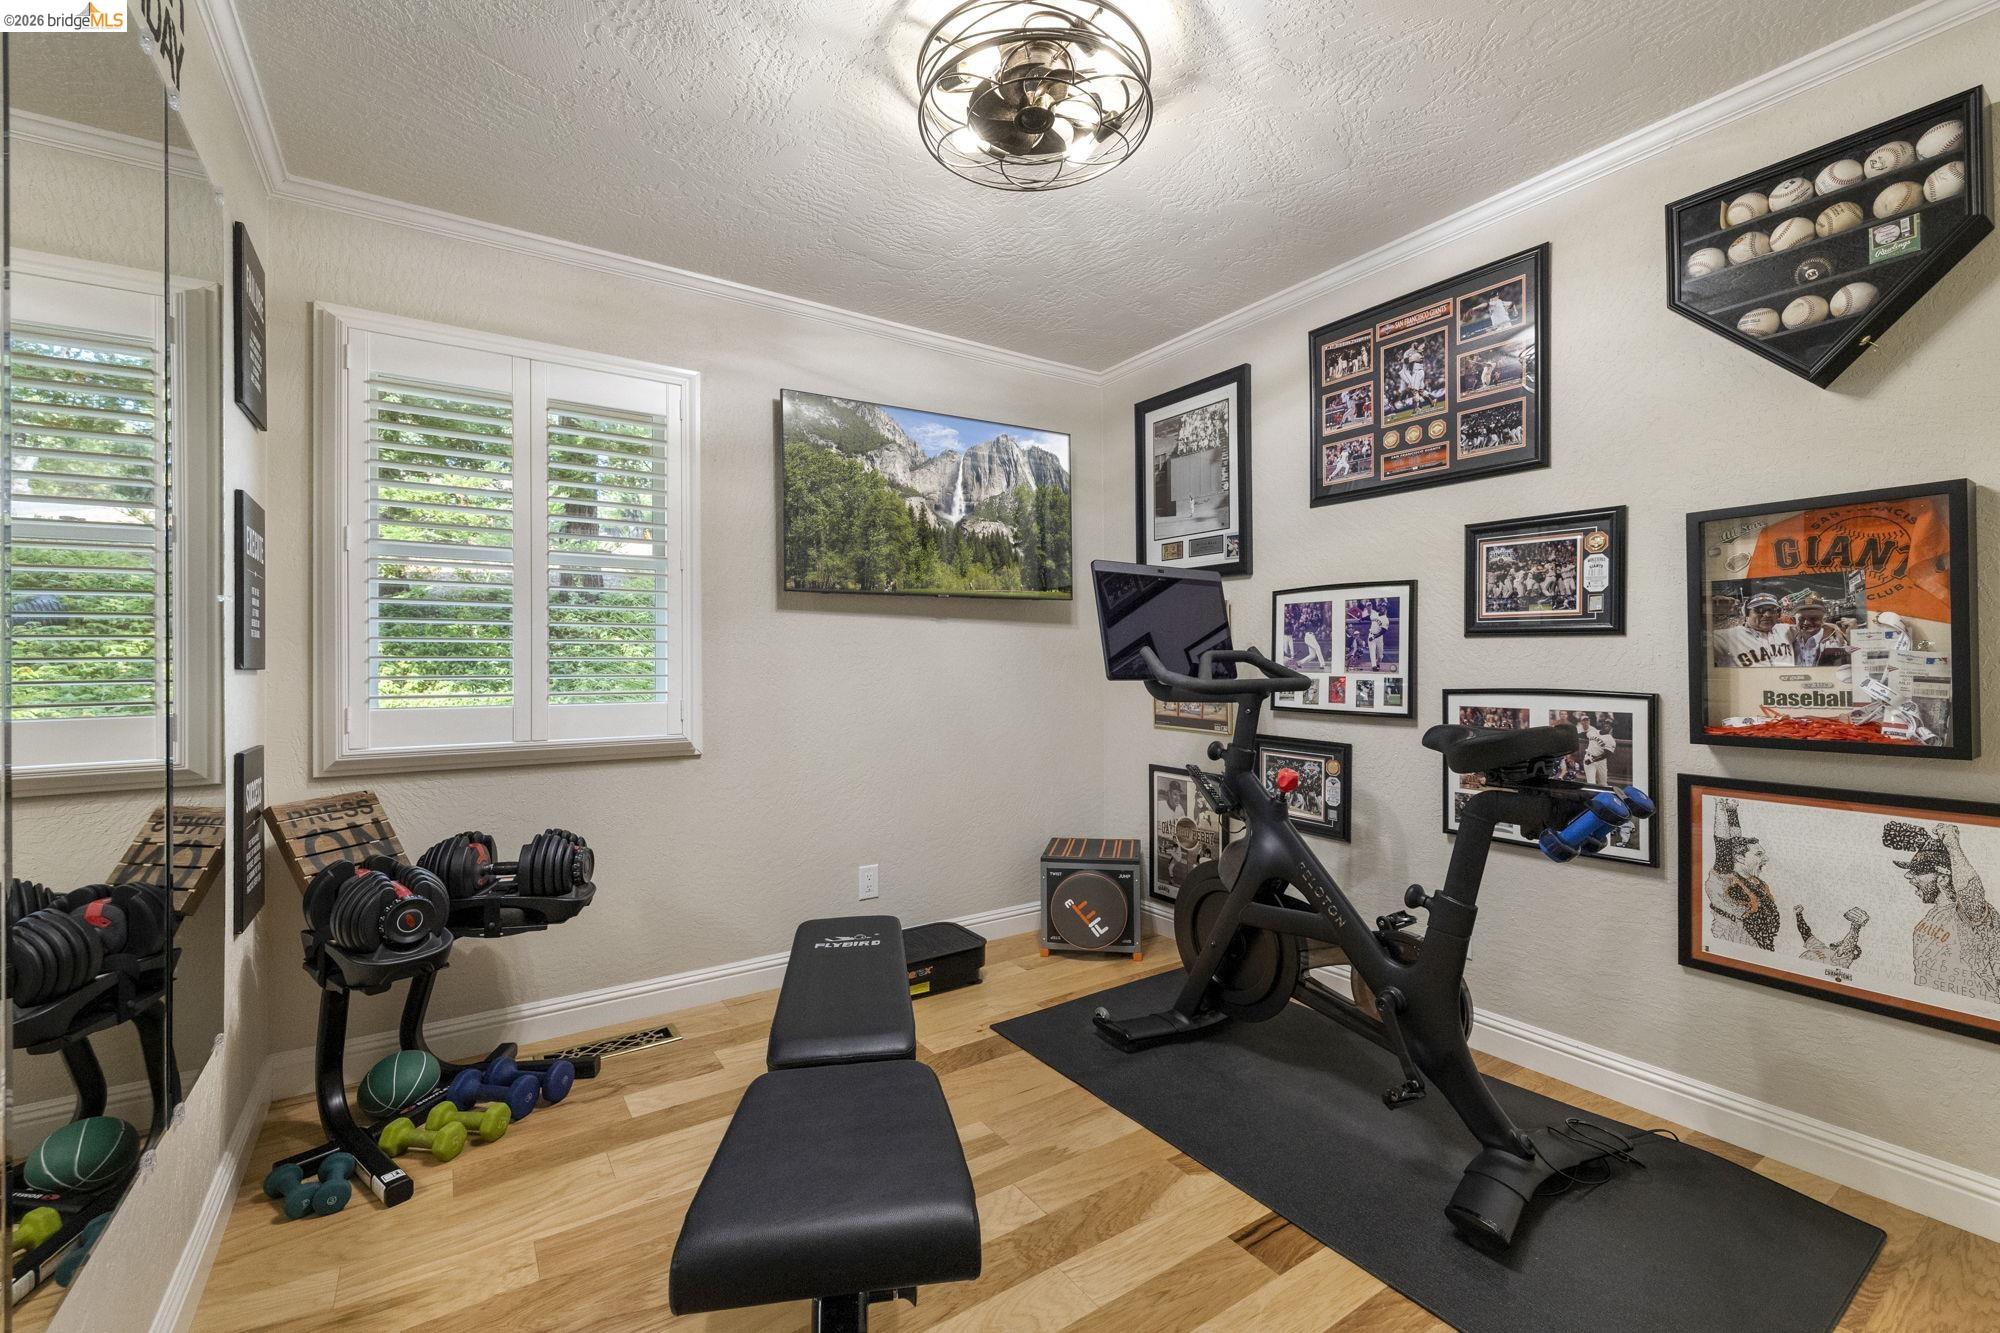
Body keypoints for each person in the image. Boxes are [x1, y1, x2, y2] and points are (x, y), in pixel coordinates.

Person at [1894, 824, 2000, 1002]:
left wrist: (1952, 845)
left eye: (1918, 871)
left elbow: (1970, 890)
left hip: (1972, 1011)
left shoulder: (1969, 912)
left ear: (1942, 877)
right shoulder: (1931, 916)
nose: (1909, 876)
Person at [1705, 799, 1779, 950]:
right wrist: (1720, 807)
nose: (1765, 858)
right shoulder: (1724, 878)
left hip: (1762, 945)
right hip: (1736, 941)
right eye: (1759, 854)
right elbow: (1723, 846)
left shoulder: (1753, 881)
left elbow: (1735, 842)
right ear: (1739, 858)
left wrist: (1732, 809)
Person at [1712, 591, 1794, 667]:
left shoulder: (1786, 630)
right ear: (1746, 613)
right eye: (1759, 610)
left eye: (1772, 610)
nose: (1767, 614)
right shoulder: (1727, 637)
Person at [1788, 594, 1851, 667]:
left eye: (1813, 618)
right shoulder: (1790, 640)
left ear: (1823, 619)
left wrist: (1852, 640)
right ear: (1794, 620)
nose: (1807, 622)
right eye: (1801, 619)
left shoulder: (1835, 643)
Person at [1579, 715, 1615, 785]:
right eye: (1606, 723)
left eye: (1609, 724)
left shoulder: (1611, 740)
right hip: (1588, 757)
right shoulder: (1593, 732)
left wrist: (1592, 760)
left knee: (1603, 784)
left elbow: (1607, 754)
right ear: (1602, 724)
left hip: (1600, 761)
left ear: (1611, 728)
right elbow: (1583, 734)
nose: (1607, 725)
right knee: (1591, 783)